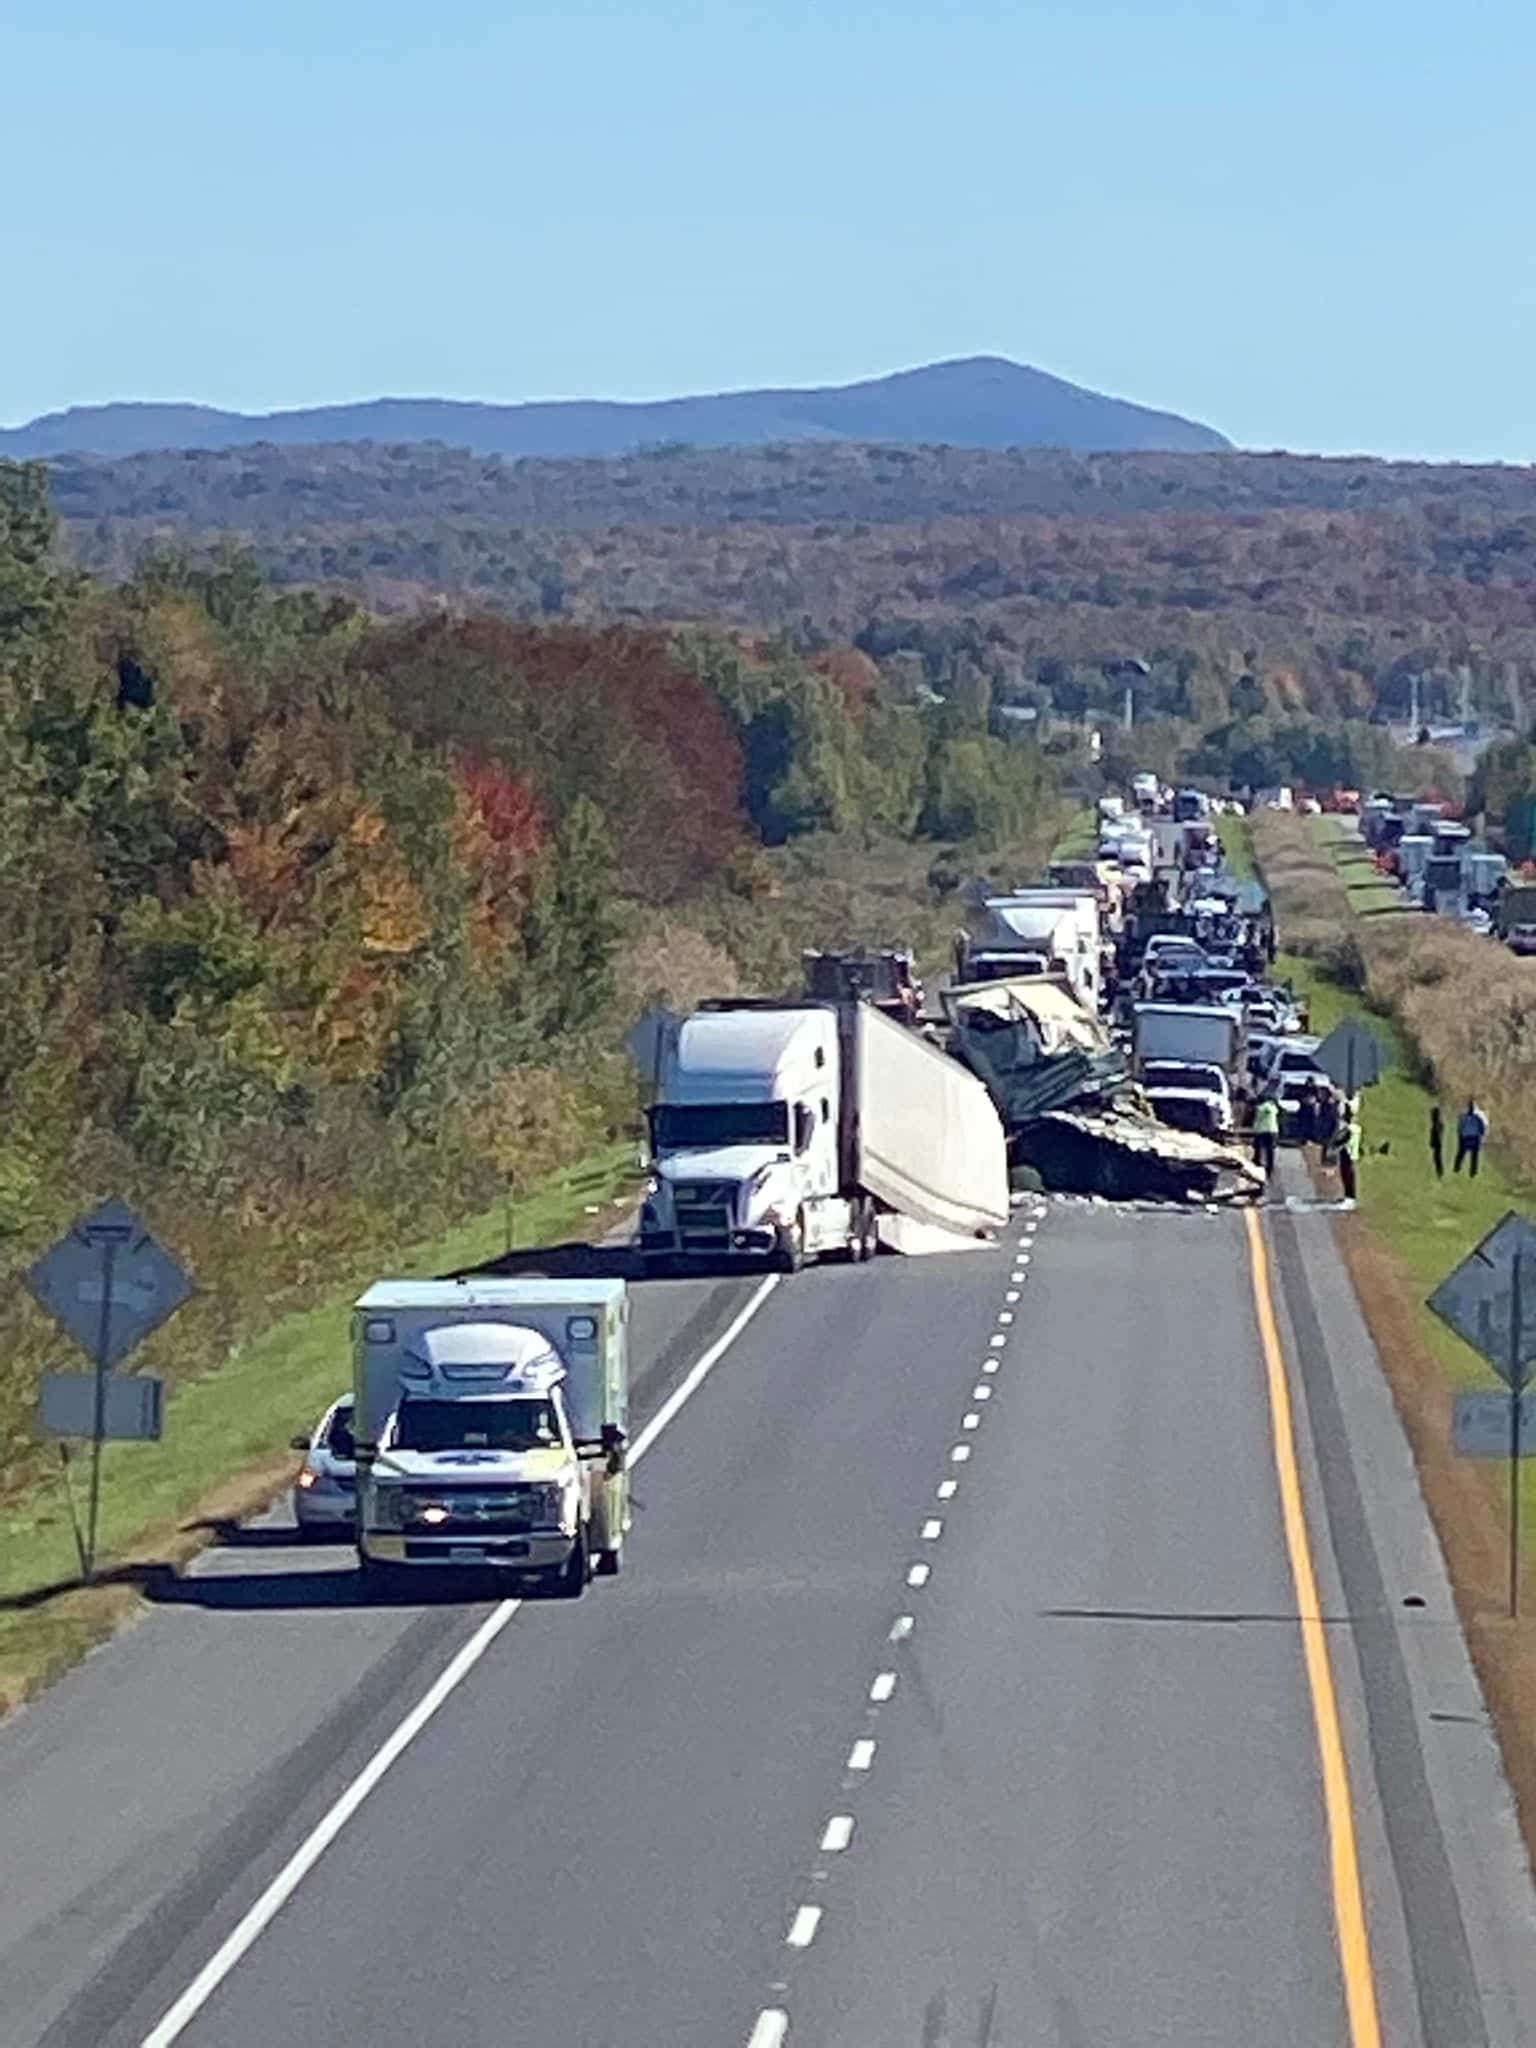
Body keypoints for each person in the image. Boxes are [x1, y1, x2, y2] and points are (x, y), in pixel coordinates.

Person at [1454, 1099, 1489, 1178]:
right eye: (1470, 1106)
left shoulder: (1477, 1117)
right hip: (1468, 1137)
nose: (1471, 1108)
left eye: (1472, 1106)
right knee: (1463, 1154)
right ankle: (1458, 1169)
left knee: (1472, 1156)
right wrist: (1460, 1135)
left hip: (1472, 1137)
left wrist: (1482, 1135)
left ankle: (1471, 1172)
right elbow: (1460, 1127)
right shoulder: (1466, 1116)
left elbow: (1482, 1127)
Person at [1253, 1091, 1280, 1179]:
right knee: (1270, 1150)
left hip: (1262, 1130)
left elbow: (1258, 1118)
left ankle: (1258, 1165)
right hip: (1273, 1131)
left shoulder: (1261, 1108)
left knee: (1259, 1148)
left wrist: (1254, 1129)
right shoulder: (1273, 1107)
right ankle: (1270, 1167)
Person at [1338, 1112, 1362, 1202]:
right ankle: (1351, 1195)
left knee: (1346, 1174)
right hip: (1354, 1153)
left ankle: (1349, 1195)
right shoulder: (1358, 1128)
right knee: (1351, 1175)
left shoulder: (1347, 1129)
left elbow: (1340, 1140)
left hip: (1346, 1152)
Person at [1428, 1103, 1445, 1180]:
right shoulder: (1437, 1123)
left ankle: (1439, 1173)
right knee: (1436, 1158)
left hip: (1437, 1144)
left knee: (1437, 1158)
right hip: (1437, 1144)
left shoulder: (1436, 1124)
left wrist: (1433, 1142)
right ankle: (1439, 1173)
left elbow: (1436, 1133)